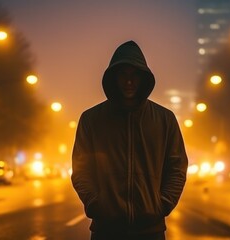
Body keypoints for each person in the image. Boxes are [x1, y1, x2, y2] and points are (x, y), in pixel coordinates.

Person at [71, 40, 188, 240]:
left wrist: (162, 204)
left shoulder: (164, 119)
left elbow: (176, 167)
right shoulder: (92, 119)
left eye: (134, 75)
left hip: (150, 231)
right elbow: (81, 170)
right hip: (106, 231)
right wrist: (95, 204)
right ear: (113, 78)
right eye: (123, 75)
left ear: (144, 78)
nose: (129, 81)